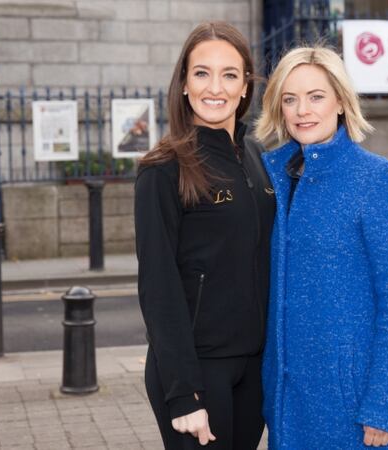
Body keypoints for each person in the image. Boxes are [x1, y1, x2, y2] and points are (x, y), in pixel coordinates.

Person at [254, 46, 388, 449]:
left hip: (352, 407)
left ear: (342, 102)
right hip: (286, 402)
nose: (302, 110)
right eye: (289, 99)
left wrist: (384, 405)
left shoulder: (378, 180)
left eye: (316, 96)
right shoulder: (269, 176)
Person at [133, 21, 275, 450]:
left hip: (253, 368)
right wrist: (182, 393)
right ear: (183, 83)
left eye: (230, 74)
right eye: (202, 73)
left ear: (246, 86)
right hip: (197, 372)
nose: (216, 87)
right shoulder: (162, 169)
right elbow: (158, 288)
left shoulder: (256, 156)